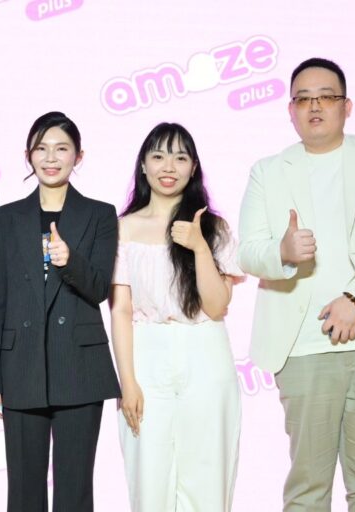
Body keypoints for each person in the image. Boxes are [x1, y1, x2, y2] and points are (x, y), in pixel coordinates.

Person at [237, 57, 355, 511]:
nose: (314, 106)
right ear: (290, 110)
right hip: (301, 347)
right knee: (307, 487)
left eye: (326, 97)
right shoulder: (268, 171)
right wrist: (282, 252)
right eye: (303, 99)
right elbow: (248, 252)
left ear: (346, 106)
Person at [0, 111, 121, 512]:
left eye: (62, 149)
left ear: (79, 156)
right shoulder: (6, 218)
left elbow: (99, 289)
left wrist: (69, 260)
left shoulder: (100, 214)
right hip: (20, 367)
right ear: (29, 155)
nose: (51, 158)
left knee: (75, 490)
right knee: (24, 493)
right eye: (41, 149)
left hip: (80, 367)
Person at [110, 122, 244, 511]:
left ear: (193, 167)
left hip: (205, 350)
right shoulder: (123, 229)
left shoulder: (214, 228)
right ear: (143, 165)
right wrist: (128, 382)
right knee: (149, 478)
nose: (169, 167)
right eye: (158, 156)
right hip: (146, 353)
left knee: (207, 475)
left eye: (180, 157)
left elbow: (217, 306)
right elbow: (120, 310)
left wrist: (199, 247)